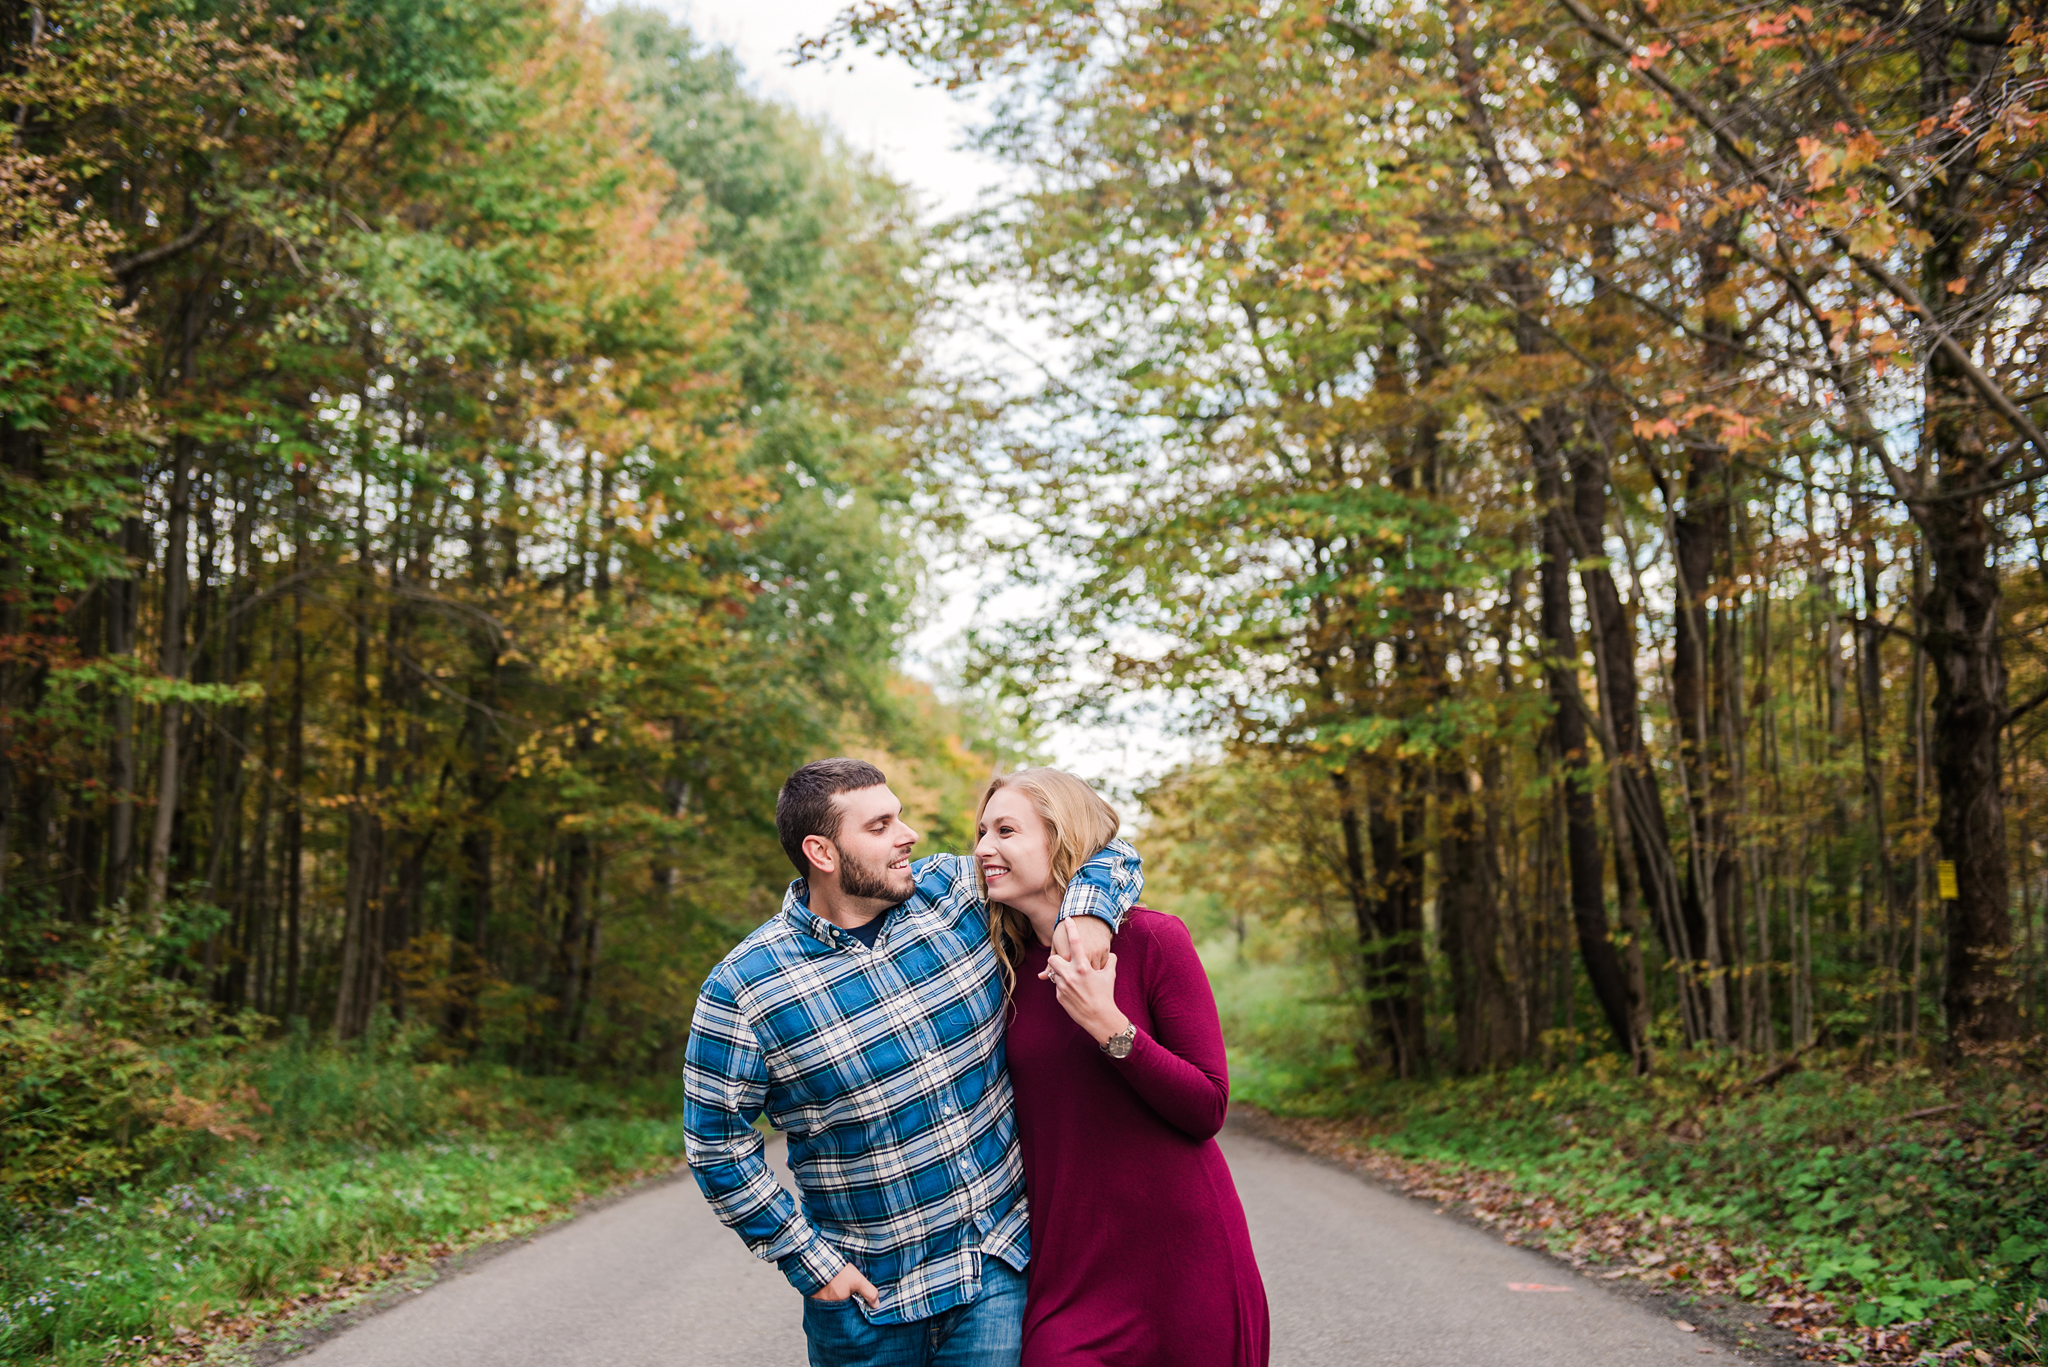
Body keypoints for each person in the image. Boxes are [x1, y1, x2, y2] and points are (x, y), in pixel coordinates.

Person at [683, 757, 1144, 1367]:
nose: (909, 836)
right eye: (880, 827)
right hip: (865, 1305)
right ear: (821, 852)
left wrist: (1087, 914)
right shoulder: (744, 987)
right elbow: (716, 1144)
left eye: (899, 816)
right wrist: (809, 1262)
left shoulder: (957, 896)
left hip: (995, 1272)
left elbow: (1110, 851)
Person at [975, 767, 1270, 1367]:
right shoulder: (995, 964)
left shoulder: (1154, 940)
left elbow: (1208, 1107)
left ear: (1061, 840)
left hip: (1185, 1263)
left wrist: (1110, 1027)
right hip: (1072, 1274)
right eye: (981, 832)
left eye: (1006, 831)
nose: (983, 848)